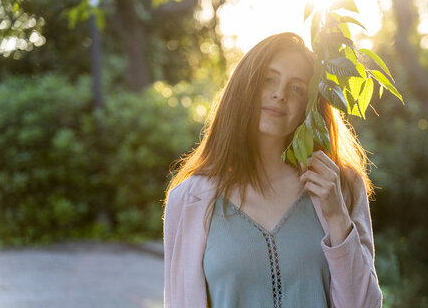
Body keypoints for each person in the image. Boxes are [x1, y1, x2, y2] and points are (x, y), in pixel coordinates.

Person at [163, 32, 383, 307]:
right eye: (269, 79)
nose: (280, 94)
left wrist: (337, 216)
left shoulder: (341, 185)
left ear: (310, 105)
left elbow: (365, 305)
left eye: (297, 88)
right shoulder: (188, 200)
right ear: (245, 85)